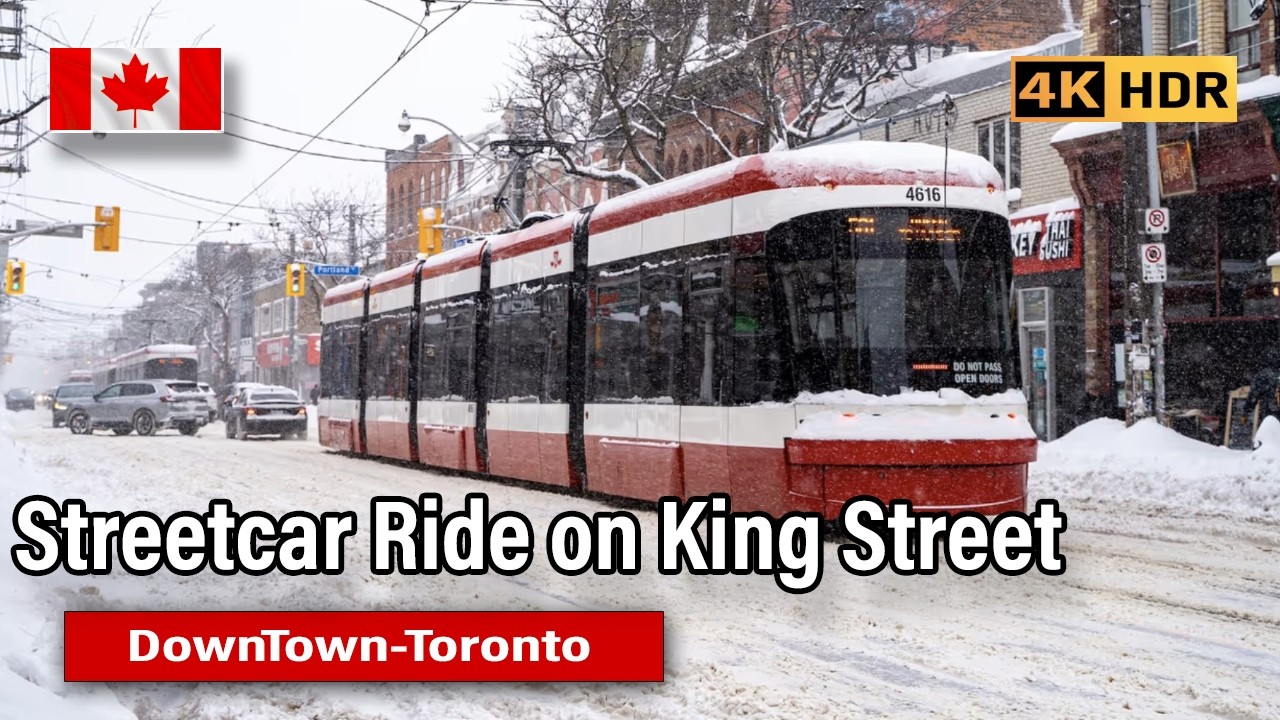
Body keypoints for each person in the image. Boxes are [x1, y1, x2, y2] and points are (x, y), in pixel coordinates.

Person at [1246, 357, 1280, 427]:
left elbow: (1254, 394)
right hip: (1272, 408)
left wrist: (1246, 411)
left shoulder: (1264, 374)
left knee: (1269, 431)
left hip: (1269, 412)